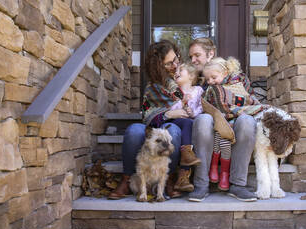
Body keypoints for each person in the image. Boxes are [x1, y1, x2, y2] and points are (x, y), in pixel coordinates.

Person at [109, 40, 188, 200]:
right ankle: (127, 179)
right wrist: (168, 114)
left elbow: (191, 103)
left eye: (176, 59)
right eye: (168, 64)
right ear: (158, 67)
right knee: (134, 131)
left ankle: (169, 179)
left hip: (176, 126)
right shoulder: (152, 89)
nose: (175, 65)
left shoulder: (186, 77)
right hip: (154, 127)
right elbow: (148, 118)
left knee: (173, 131)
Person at [188, 37, 258, 202]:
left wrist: (236, 111)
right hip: (208, 130)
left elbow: (251, 100)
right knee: (203, 119)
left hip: (235, 124)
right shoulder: (193, 79)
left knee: (247, 121)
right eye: (191, 56)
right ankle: (201, 184)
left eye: (196, 55)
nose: (193, 60)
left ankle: (238, 184)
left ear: (210, 54)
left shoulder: (238, 78)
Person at [202, 57, 266, 192]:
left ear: (225, 72)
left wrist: (237, 103)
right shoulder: (211, 89)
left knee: (241, 125)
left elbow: (249, 98)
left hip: (238, 119)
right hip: (221, 121)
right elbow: (209, 104)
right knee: (222, 137)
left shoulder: (239, 81)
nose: (210, 82)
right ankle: (215, 168)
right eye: (208, 80)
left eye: (213, 77)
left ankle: (229, 176)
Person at [170, 63, 203, 192]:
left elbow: (202, 106)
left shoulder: (198, 90)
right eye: (176, 71)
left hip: (193, 122)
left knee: (189, 125)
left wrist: (193, 113)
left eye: (180, 70)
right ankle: (183, 174)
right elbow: (169, 110)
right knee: (187, 125)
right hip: (178, 121)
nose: (176, 72)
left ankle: (183, 178)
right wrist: (181, 102)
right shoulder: (174, 91)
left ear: (191, 76)